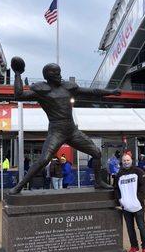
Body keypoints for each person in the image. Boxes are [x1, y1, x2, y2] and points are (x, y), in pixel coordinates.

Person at [9, 57, 119, 194]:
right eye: (56, 73)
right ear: (48, 76)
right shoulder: (42, 91)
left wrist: (110, 92)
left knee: (96, 153)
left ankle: (98, 182)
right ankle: (19, 186)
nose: (60, 75)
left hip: (71, 130)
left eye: (59, 72)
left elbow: (92, 92)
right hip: (56, 131)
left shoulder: (68, 88)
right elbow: (19, 95)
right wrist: (18, 74)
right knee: (43, 160)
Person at [115, 153, 145, 252]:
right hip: (126, 207)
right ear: (122, 162)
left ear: (131, 160)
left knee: (141, 227)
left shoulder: (139, 172)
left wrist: (138, 200)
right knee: (130, 228)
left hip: (138, 207)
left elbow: (144, 187)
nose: (126, 162)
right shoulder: (119, 174)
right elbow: (116, 189)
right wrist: (120, 200)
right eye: (124, 160)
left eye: (128, 160)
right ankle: (134, 247)